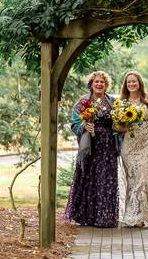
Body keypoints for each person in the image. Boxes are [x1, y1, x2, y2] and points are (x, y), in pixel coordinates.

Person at [64, 71, 120, 228]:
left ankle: (105, 217)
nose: (99, 84)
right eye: (96, 82)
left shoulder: (113, 102)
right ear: (91, 84)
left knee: (106, 180)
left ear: (106, 84)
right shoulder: (83, 102)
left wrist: (118, 126)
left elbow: (118, 123)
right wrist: (84, 126)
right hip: (90, 146)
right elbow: (74, 123)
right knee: (89, 178)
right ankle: (86, 216)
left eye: (102, 82)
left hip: (108, 148)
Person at [118, 71, 148, 227]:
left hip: (147, 143)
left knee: (145, 176)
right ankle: (134, 215)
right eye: (129, 82)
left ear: (139, 83)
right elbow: (117, 126)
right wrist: (123, 123)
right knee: (133, 179)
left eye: (134, 81)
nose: (131, 84)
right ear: (125, 84)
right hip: (129, 144)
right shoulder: (121, 101)